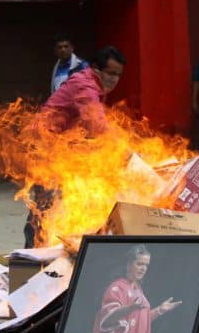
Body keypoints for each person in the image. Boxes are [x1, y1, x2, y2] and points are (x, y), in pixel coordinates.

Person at [24, 46, 126, 247]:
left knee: (59, 201)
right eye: (110, 73)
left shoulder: (92, 85)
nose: (114, 79)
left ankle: (46, 246)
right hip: (44, 148)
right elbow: (96, 124)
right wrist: (124, 148)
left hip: (59, 148)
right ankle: (31, 253)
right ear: (96, 68)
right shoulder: (85, 86)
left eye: (118, 75)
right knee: (44, 204)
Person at [93, 245, 182, 333]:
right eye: (139, 264)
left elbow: (141, 320)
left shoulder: (138, 289)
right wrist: (131, 308)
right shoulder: (117, 287)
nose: (143, 268)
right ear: (128, 264)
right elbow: (107, 318)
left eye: (146, 265)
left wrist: (159, 310)